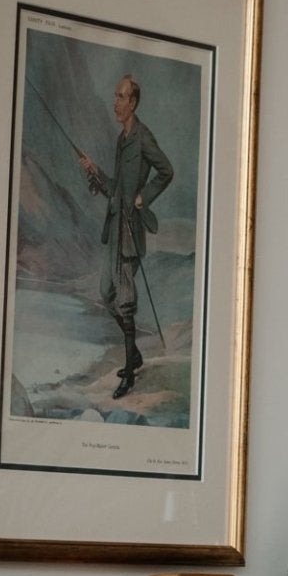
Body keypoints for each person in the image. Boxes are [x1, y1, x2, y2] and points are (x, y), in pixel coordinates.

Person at [77, 75, 173, 399]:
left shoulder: (143, 138)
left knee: (126, 301)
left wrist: (144, 197)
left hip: (130, 231)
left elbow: (167, 171)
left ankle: (130, 373)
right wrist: (94, 170)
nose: (115, 102)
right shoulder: (122, 139)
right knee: (106, 293)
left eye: (121, 97)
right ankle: (134, 353)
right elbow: (117, 188)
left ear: (132, 102)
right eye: (115, 96)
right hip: (115, 226)